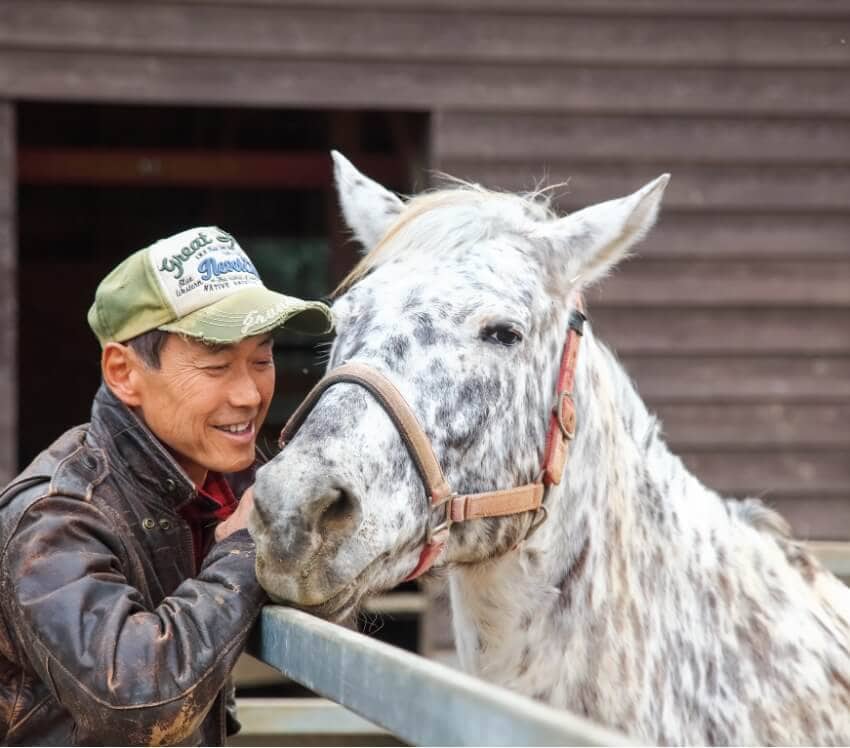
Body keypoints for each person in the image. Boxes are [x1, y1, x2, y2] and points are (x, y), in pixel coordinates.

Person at [0, 227, 332, 745]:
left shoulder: (222, 484)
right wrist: (246, 547)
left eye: (263, 359)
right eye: (216, 365)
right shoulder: (56, 517)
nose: (249, 394)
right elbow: (133, 704)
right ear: (124, 373)